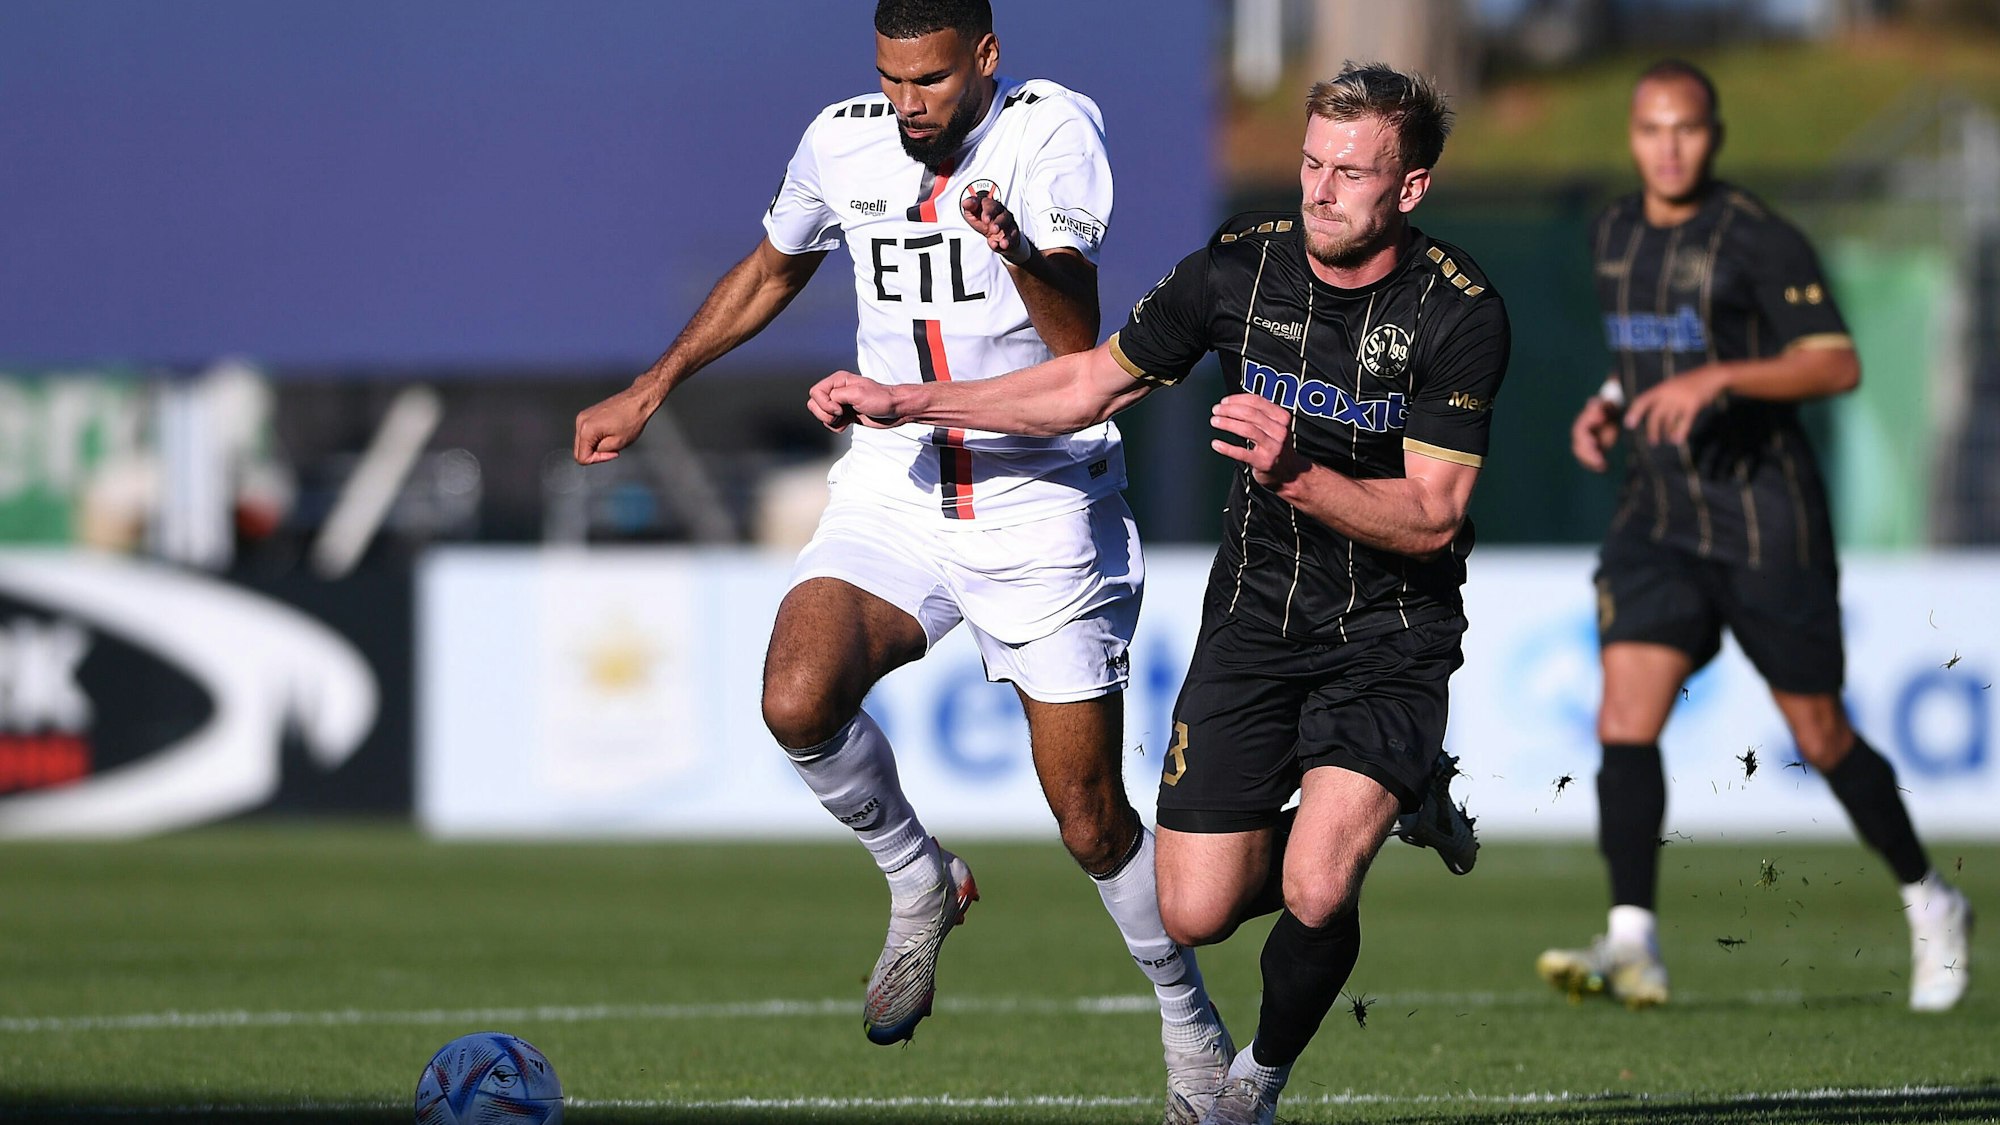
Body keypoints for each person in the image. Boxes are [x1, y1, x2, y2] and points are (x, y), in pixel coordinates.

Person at [571, 2, 1239, 1118]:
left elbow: (1081, 340)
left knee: (1086, 815)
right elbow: (772, 265)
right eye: (891, 78)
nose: (906, 102)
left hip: (1037, 496)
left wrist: (1015, 246)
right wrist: (653, 384)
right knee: (795, 699)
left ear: (983, 58)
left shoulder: (1050, 129)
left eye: (929, 79)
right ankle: (917, 877)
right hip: (898, 481)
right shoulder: (842, 137)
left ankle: (1188, 1025)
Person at [812, 62, 1501, 1125]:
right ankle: (1388, 806)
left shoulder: (1458, 313)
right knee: (1192, 906)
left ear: (1407, 190)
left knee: (1317, 886)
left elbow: (1433, 513)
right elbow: (1087, 379)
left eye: (1351, 173)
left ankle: (1251, 1087)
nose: (1319, 189)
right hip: (1253, 615)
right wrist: (911, 400)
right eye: (1311, 162)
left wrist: (1293, 474)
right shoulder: (1238, 268)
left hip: (1389, 628)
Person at [1539, 59, 1973, 1013]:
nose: (1669, 146)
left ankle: (1930, 897)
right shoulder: (1612, 230)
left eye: (1686, 128)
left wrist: (1723, 380)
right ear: (1632, 136)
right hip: (1658, 517)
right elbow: (1647, 355)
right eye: (1652, 129)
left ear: (1714, 134)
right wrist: (1610, 404)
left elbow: (1838, 362)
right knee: (1624, 717)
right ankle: (1633, 940)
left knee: (1820, 733)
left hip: (1767, 521)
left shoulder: (1761, 239)